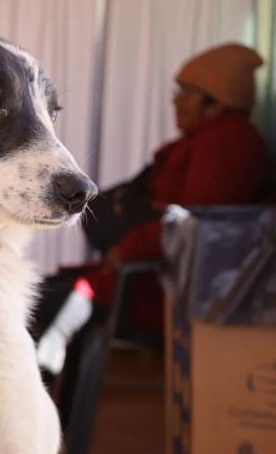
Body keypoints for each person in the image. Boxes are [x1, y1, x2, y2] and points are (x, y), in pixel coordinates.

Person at [36, 43, 271, 376]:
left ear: (212, 103)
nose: (175, 100)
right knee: (45, 297)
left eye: (185, 92)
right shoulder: (210, 140)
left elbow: (194, 223)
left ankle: (44, 419)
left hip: (158, 285)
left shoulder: (227, 145)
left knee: (43, 306)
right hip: (149, 274)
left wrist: (127, 249)